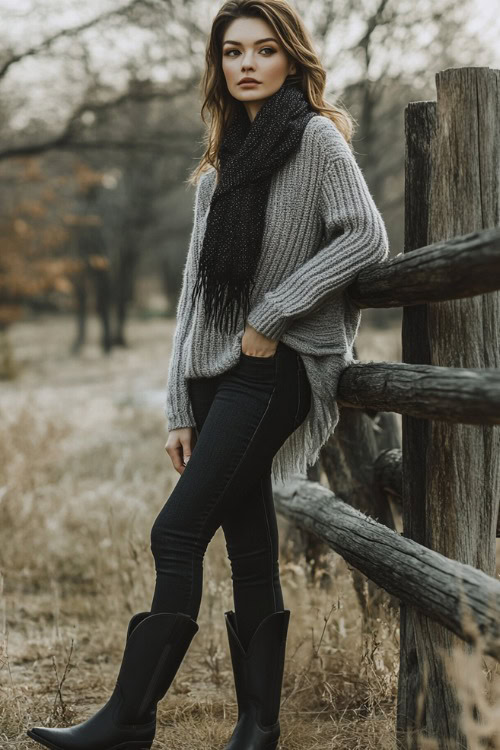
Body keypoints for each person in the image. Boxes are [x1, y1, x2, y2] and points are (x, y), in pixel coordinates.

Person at [27, 1, 389, 749]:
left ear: (291, 58)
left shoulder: (316, 139)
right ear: (218, 65)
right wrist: (175, 406)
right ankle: (258, 729)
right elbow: (193, 295)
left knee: (175, 532)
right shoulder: (219, 168)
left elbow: (367, 236)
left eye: (263, 49)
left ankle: (127, 722)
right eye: (233, 52)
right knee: (250, 544)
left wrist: (274, 314)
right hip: (215, 376)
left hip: (275, 369)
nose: (247, 64)